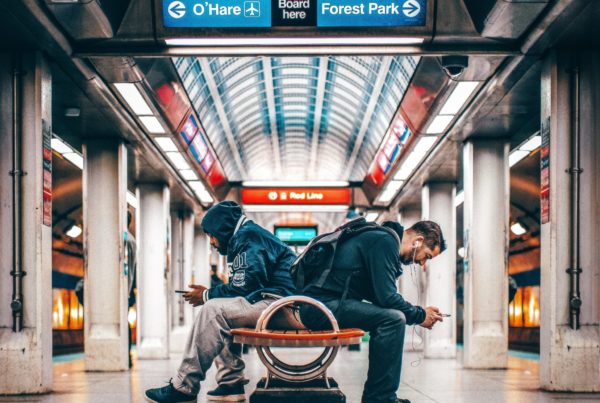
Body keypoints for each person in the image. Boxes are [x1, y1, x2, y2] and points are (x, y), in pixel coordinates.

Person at [145, 201, 298, 403]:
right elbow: (245, 287)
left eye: (211, 235)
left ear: (222, 228)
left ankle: (184, 387)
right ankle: (230, 384)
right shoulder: (245, 237)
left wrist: (207, 295)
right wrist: (212, 293)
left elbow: (246, 286)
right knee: (224, 307)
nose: (212, 242)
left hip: (282, 305)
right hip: (276, 302)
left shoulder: (249, 237)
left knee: (213, 310)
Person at [299, 220, 446, 403]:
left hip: (322, 304)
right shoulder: (384, 241)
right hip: (320, 308)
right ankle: (380, 399)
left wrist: (418, 313)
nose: (422, 263)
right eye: (427, 256)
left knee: (393, 316)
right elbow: (387, 298)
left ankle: (380, 397)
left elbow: (380, 296)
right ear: (418, 240)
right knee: (393, 319)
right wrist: (420, 315)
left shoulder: (381, 238)